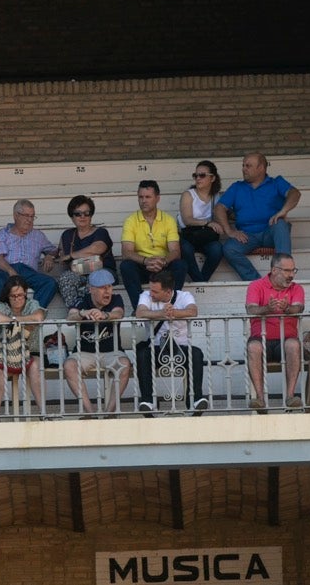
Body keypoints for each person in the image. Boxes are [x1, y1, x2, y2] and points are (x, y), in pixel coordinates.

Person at [216, 151, 301, 282]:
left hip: (270, 231)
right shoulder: (237, 187)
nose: (243, 169)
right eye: (243, 165)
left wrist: (283, 211)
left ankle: (283, 276)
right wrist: (230, 231)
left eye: (248, 166)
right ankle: (257, 282)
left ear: (261, 167)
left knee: (281, 224)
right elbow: (219, 207)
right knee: (229, 248)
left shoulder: (276, 182)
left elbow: (295, 193)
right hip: (247, 235)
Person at [134, 269, 207, 415]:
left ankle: (195, 399)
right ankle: (147, 401)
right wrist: (161, 314)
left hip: (181, 347)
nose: (151, 294)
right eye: (151, 290)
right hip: (157, 347)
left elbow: (193, 311)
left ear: (168, 292)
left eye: (155, 291)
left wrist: (174, 313)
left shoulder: (184, 296)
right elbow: (140, 312)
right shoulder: (146, 296)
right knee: (142, 354)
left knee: (197, 353)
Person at [62, 267, 131, 416]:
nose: (107, 291)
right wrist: (83, 313)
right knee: (69, 365)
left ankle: (108, 413)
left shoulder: (116, 298)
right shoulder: (82, 300)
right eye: (102, 288)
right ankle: (90, 413)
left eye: (109, 287)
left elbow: (118, 314)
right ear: (91, 289)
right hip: (85, 352)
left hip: (111, 352)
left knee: (125, 365)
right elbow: (70, 318)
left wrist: (104, 315)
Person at [245, 253, 305, 411]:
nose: (291, 275)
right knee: (253, 347)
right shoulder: (256, 285)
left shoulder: (296, 288)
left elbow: (298, 308)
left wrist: (287, 308)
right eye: (287, 271)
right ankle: (260, 398)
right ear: (274, 270)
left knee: (293, 345)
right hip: (261, 340)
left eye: (293, 270)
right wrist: (267, 309)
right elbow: (250, 309)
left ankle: (290, 396)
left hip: (285, 341)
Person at [119, 178, 185, 309]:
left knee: (180, 265)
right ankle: (140, 308)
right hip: (142, 265)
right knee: (126, 266)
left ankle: (170, 305)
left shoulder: (168, 220)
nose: (143, 201)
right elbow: (126, 252)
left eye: (148, 197)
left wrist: (164, 261)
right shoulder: (131, 220)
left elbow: (175, 251)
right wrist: (146, 261)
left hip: (163, 265)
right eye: (140, 197)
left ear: (157, 198)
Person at [0, 197, 57, 315]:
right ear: (16, 215)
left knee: (50, 283)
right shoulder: (2, 235)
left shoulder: (38, 236)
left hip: (28, 273)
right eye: (26, 215)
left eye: (32, 216)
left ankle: (31, 316)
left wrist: (49, 256)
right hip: (4, 270)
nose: (29, 220)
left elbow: (54, 250)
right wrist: (11, 271)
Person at [0, 275, 46, 417]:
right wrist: (24, 322)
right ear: (7, 296)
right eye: (13, 296)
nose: (17, 299)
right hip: (7, 352)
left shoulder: (32, 303)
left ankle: (42, 410)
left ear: (25, 293)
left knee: (35, 366)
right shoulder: (2, 306)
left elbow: (38, 317)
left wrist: (13, 321)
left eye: (20, 295)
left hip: (31, 350)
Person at [53, 192, 117, 307]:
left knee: (93, 283)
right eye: (78, 214)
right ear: (72, 217)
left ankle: (90, 315)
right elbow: (59, 254)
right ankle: (74, 311)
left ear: (91, 215)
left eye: (86, 213)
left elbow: (98, 248)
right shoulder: (67, 235)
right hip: (78, 273)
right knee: (65, 278)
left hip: (101, 270)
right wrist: (49, 256)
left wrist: (72, 255)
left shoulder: (101, 232)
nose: (82, 217)